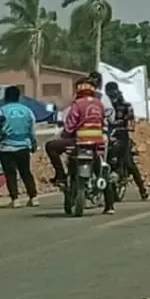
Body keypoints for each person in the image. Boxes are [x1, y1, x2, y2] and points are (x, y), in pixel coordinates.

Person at [45, 77, 116, 213]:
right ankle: (109, 205)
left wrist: (65, 134)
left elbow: (70, 125)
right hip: (96, 142)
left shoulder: (77, 104)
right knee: (100, 169)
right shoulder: (99, 104)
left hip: (79, 141)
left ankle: (60, 175)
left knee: (51, 146)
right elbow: (102, 122)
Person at [0, 86, 39, 208]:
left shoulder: (0, 111)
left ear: (5, 97)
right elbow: (32, 129)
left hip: (6, 147)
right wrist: (33, 142)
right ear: (19, 97)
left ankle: (15, 199)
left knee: (10, 174)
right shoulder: (28, 110)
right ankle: (33, 197)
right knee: (26, 172)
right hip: (23, 146)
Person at [104, 81, 150, 201]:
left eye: (112, 91)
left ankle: (142, 190)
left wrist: (128, 126)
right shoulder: (103, 104)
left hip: (121, 134)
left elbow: (131, 120)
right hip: (106, 135)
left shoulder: (125, 105)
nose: (111, 94)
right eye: (108, 91)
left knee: (129, 163)